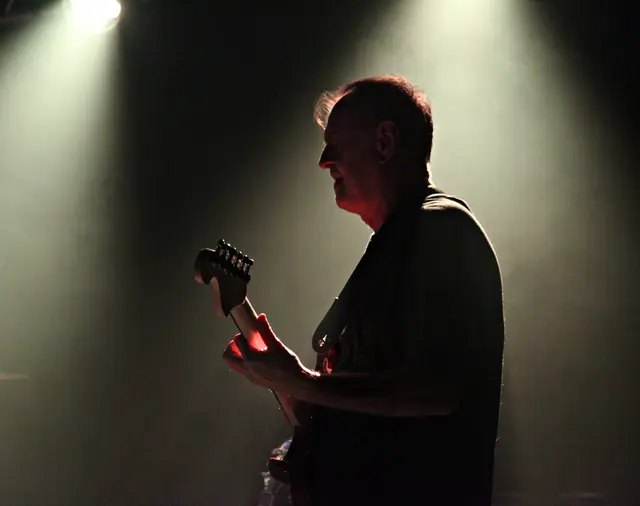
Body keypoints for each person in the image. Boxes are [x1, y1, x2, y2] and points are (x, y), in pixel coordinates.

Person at [222, 75, 505, 506]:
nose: (324, 161)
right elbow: (346, 417)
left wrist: (301, 381)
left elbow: (438, 389)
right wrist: (284, 379)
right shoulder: (395, 244)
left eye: (336, 143)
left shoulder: (440, 228)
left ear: (385, 143)